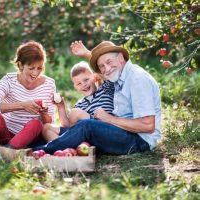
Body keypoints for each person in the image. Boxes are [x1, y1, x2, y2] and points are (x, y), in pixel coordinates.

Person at [33, 40, 162, 155]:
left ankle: (41, 151)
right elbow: (103, 71)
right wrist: (87, 54)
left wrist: (108, 118)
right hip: (122, 131)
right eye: (102, 67)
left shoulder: (136, 79)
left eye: (109, 62)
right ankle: (51, 148)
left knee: (86, 126)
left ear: (121, 58)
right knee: (73, 128)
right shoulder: (119, 77)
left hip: (138, 141)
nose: (106, 69)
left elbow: (148, 125)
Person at [42, 61, 114, 142]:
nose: (83, 84)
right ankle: (64, 151)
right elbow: (67, 126)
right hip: (85, 135)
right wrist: (61, 107)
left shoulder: (105, 89)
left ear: (94, 77)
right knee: (47, 128)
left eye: (86, 80)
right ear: (75, 87)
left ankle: (62, 144)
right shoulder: (80, 104)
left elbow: (110, 77)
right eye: (79, 84)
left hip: (105, 131)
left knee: (75, 113)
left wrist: (100, 77)